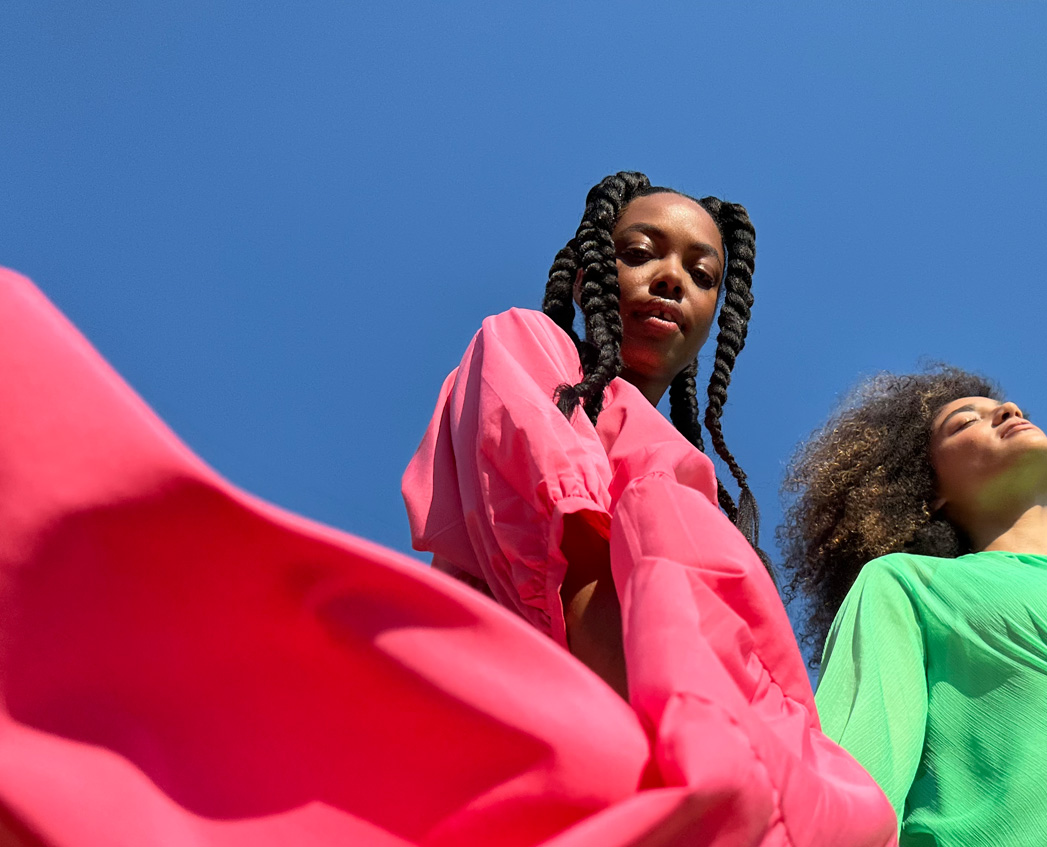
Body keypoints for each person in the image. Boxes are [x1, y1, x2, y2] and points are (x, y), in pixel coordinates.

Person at [403, 172, 898, 844]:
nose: (672, 279)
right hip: (643, 777)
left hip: (750, 789)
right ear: (587, 278)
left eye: (701, 273)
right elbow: (566, 559)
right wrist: (676, 779)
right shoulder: (530, 351)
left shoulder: (706, 497)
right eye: (640, 253)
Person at [780, 366, 1047, 846]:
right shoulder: (908, 584)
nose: (1010, 411)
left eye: (1013, 410)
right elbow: (855, 772)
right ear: (930, 492)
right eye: (965, 422)